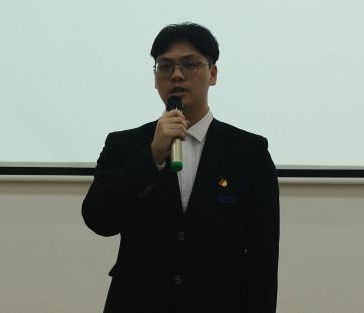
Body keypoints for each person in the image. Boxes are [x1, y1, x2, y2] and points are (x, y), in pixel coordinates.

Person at [82, 22, 280, 312]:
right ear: (155, 79)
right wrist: (152, 157)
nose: (176, 74)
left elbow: (263, 255)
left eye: (190, 64)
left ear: (213, 74)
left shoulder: (249, 152)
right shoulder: (125, 145)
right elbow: (99, 219)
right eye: (165, 66)